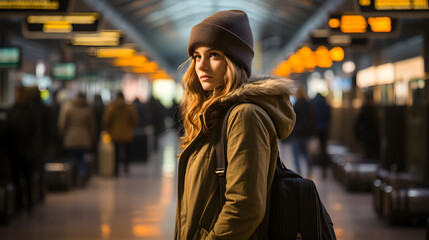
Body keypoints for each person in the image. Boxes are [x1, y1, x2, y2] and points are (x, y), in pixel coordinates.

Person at [175, 10, 296, 239]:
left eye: (213, 55)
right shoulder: (212, 115)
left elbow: (244, 206)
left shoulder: (245, 116)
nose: (201, 66)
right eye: (197, 56)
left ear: (234, 60)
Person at [58, 92, 96, 186]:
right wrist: (91, 137)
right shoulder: (88, 109)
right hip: (84, 138)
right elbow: (92, 126)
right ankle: (81, 177)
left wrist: (62, 135)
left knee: (72, 159)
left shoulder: (69, 107)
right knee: (82, 159)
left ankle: (72, 179)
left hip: (70, 137)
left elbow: (62, 124)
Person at [102, 92, 138, 176]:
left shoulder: (111, 107)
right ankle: (126, 167)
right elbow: (135, 120)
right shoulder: (130, 107)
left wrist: (108, 129)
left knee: (115, 152)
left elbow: (106, 120)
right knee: (127, 151)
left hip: (114, 133)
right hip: (127, 133)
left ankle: (116, 170)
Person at [290, 85, 315, 177]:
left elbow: (292, 119)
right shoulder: (309, 104)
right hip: (306, 133)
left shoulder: (296, 105)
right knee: (305, 152)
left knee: (296, 154)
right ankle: (310, 168)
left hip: (296, 133)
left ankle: (299, 172)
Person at [311, 93, 331, 178]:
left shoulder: (313, 103)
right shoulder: (326, 104)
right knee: (323, 148)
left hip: (316, 128)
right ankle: (324, 168)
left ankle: (317, 162)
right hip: (324, 129)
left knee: (318, 147)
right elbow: (328, 117)